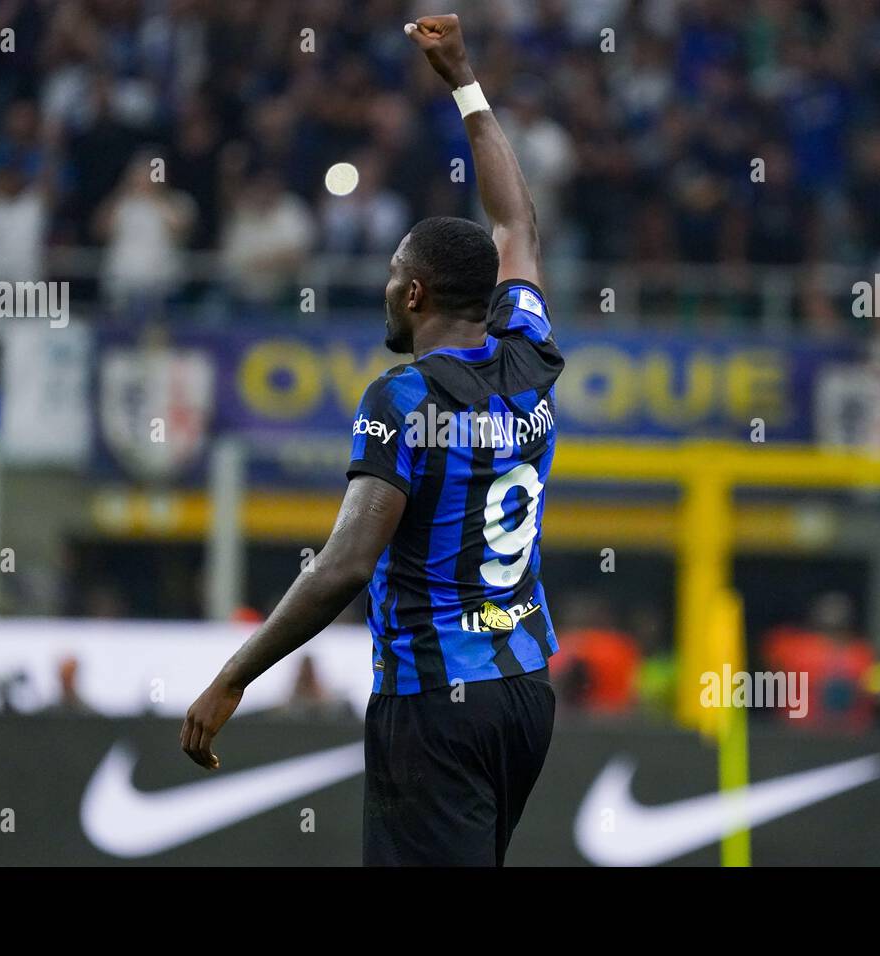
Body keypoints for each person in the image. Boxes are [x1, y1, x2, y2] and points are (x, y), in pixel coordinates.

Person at [182, 14, 562, 867]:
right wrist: (464, 79)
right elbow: (519, 227)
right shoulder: (530, 354)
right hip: (524, 693)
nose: (386, 287)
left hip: (436, 702)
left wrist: (234, 676)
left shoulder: (403, 396)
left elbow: (346, 565)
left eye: (395, 274)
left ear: (417, 293)